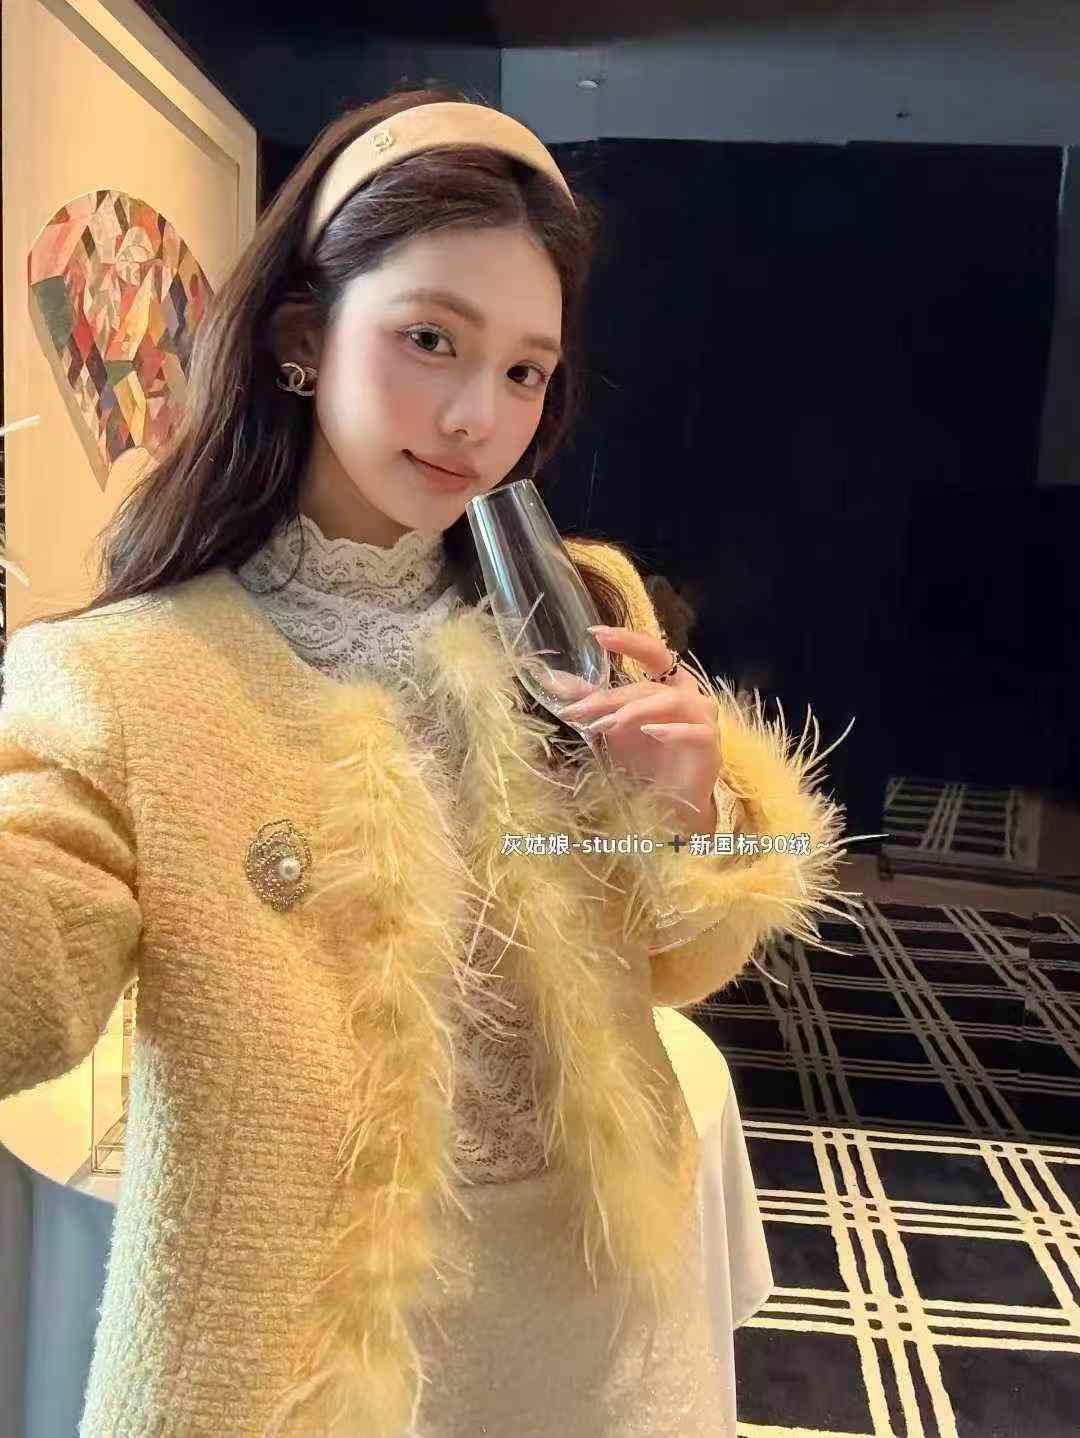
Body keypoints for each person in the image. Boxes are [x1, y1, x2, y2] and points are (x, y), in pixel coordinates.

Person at [0, 85, 862, 1438]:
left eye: (525, 371)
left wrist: (688, 814)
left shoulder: (576, 607)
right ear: (302, 337)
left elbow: (675, 962)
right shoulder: (127, 677)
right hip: (298, 1345)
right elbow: (30, 986)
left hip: (599, 1317)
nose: (477, 416)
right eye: (429, 339)